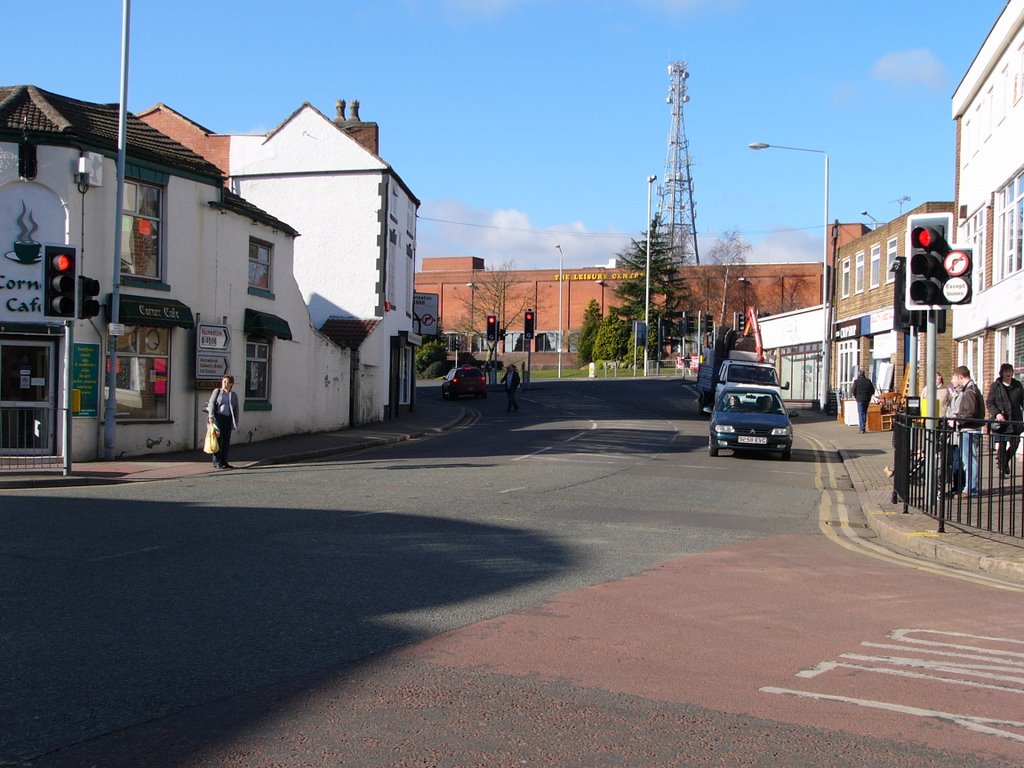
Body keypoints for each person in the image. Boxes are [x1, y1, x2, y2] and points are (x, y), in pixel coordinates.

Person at [949, 366, 985, 497]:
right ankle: (970, 487)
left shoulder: (969, 391)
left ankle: (971, 488)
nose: (952, 380)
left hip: (970, 429)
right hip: (971, 429)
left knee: (969, 459)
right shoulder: (972, 389)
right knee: (969, 458)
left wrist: (957, 421)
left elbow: (969, 412)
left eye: (954, 377)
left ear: (960, 377)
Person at [986, 363, 1024, 478]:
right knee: (1001, 445)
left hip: (1015, 419)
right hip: (1002, 420)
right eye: (1006, 371)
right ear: (1001, 373)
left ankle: (1004, 461)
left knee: (1015, 443)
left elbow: (1022, 400)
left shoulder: (1017, 385)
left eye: (1010, 371)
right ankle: (1002, 469)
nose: (1008, 374)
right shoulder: (995, 386)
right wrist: (997, 413)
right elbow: (990, 402)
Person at [206, 375, 240, 469]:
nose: (225, 384)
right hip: (218, 418)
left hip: (228, 419)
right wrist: (211, 416)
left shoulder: (233, 395)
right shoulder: (217, 392)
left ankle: (225, 461)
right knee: (217, 440)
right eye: (224, 381)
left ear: (231, 384)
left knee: (226, 441)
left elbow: (236, 409)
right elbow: (211, 403)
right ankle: (217, 462)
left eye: (227, 382)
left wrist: (235, 422)